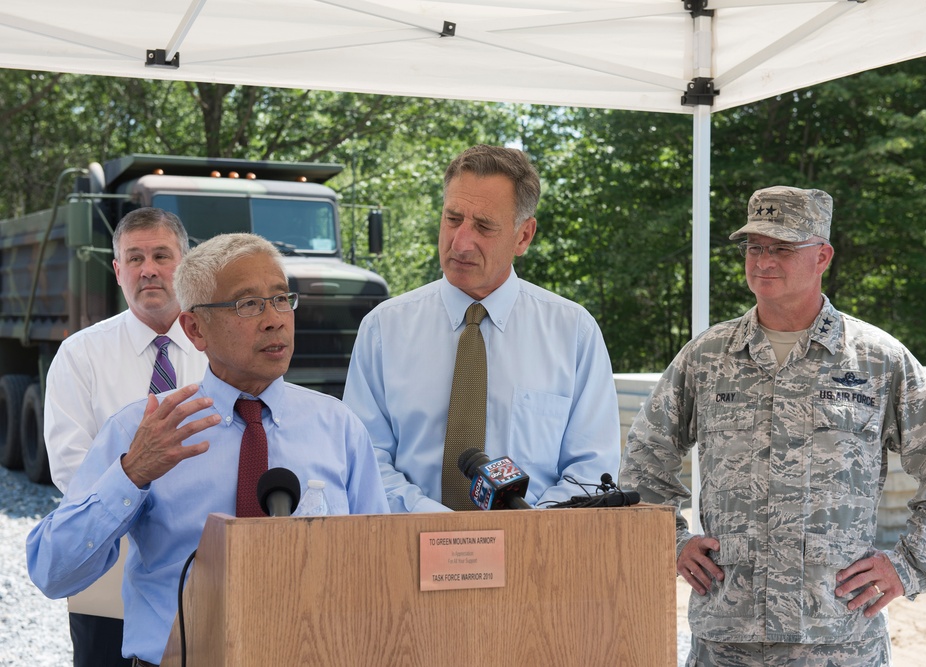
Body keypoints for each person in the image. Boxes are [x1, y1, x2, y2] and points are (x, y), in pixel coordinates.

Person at [619, 185, 926, 666]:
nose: (763, 260)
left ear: (823, 257)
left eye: (782, 248)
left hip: (838, 640)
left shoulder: (877, 360)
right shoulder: (707, 358)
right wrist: (673, 542)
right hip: (728, 641)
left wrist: (908, 568)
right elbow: (643, 460)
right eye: (755, 247)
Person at [27, 233, 389, 665]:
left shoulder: (338, 427)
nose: (274, 319)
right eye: (248, 304)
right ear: (196, 328)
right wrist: (131, 474)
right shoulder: (144, 430)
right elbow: (52, 571)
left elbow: (379, 570)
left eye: (280, 299)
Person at [343, 144, 621, 513]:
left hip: (536, 554)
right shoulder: (383, 329)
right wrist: (437, 526)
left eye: (484, 226)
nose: (460, 242)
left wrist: (528, 530)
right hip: (408, 547)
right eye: (453, 218)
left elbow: (591, 467)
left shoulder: (573, 333)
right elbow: (364, 456)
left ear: (523, 236)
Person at [43, 207, 208, 667]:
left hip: (203, 570)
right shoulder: (81, 355)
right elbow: (71, 468)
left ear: (186, 263)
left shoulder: (218, 349)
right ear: (118, 271)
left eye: (161, 255)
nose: (148, 269)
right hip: (111, 574)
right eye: (134, 258)